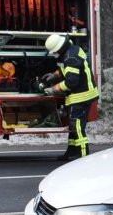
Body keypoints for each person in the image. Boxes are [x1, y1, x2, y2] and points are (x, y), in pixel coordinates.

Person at [41, 32, 100, 161]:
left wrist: (53, 89)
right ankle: (71, 151)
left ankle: (83, 157)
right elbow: (68, 69)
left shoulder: (70, 57)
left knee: (77, 127)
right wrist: (55, 75)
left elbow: (71, 82)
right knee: (73, 126)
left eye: (55, 51)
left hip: (81, 96)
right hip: (82, 94)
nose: (55, 54)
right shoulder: (73, 50)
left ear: (59, 48)